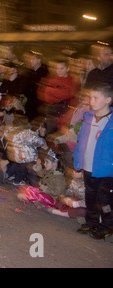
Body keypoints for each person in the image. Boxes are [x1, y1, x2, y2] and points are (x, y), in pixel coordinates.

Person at [73, 82, 113, 240]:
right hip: (89, 166)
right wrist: (78, 161)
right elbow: (81, 140)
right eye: (90, 97)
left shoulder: (110, 122)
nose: (91, 100)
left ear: (108, 100)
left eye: (96, 98)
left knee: (104, 200)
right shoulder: (88, 117)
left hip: (106, 169)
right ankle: (92, 222)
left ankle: (107, 225)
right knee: (90, 197)